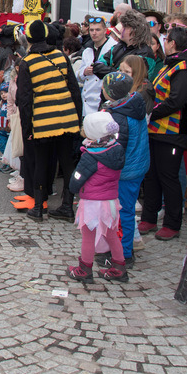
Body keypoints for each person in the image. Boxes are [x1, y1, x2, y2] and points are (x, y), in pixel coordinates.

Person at [16, 20, 82, 221]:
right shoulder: (61, 56)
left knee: (41, 163)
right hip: (67, 118)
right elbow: (74, 90)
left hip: (43, 122)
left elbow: (25, 100)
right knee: (67, 163)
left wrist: (27, 128)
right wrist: (77, 119)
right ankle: (67, 206)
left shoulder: (28, 62)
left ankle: (38, 207)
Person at [140, 25, 187, 241]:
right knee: (152, 175)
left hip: (172, 132)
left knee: (169, 178)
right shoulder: (172, 65)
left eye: (166, 40)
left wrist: (151, 113)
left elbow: (176, 101)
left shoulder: (184, 68)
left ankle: (173, 223)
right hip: (157, 131)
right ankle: (149, 217)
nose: (164, 43)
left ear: (173, 44)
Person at [66, 111, 128, 284]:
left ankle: (84, 269)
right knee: (111, 234)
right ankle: (119, 267)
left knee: (88, 235)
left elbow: (76, 180)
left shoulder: (91, 156)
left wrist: (73, 187)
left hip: (93, 203)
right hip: (110, 202)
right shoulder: (116, 149)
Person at [102, 71, 149, 268]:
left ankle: (124, 253)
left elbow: (116, 150)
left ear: (109, 93)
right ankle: (120, 247)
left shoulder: (119, 117)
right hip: (137, 166)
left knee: (124, 211)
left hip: (126, 171)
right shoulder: (133, 105)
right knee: (123, 210)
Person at [78, 15, 116, 117]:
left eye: (98, 30)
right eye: (91, 30)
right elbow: (78, 76)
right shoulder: (87, 50)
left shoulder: (113, 48)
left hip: (103, 99)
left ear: (105, 30)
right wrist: (85, 72)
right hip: (87, 101)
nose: (94, 33)